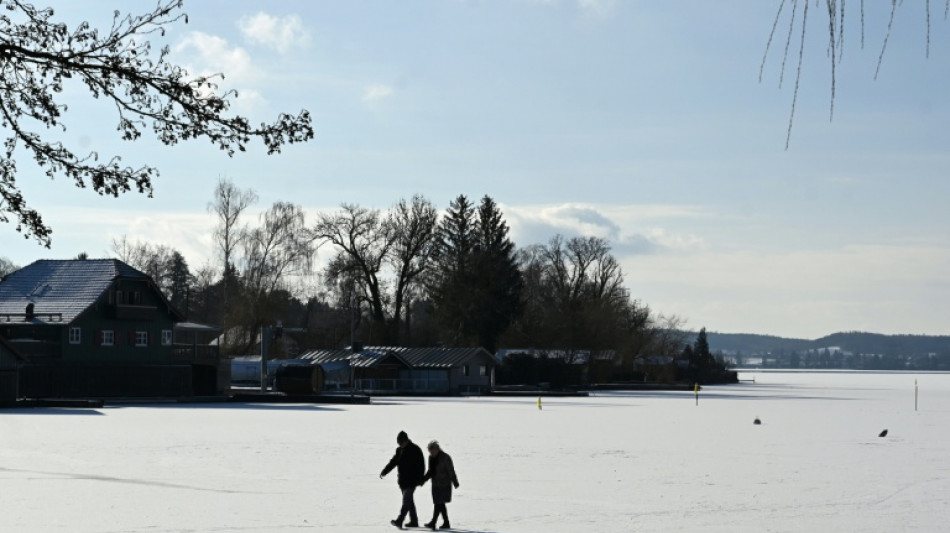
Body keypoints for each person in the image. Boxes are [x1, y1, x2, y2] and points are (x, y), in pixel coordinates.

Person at [380, 430, 425, 529]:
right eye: (398, 443)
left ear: (406, 440)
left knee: (406, 501)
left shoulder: (415, 450)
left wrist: (420, 480)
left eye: (401, 443)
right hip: (403, 481)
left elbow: (421, 466)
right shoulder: (399, 450)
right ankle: (414, 521)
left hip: (412, 481)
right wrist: (385, 471)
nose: (400, 445)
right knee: (409, 501)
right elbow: (393, 462)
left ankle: (400, 520)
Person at [421, 440, 459, 530]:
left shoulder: (445, 458)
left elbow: (451, 470)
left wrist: (455, 482)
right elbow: (430, 471)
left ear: (437, 449)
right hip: (435, 484)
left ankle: (433, 522)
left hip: (444, 484)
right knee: (439, 504)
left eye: (433, 451)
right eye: (430, 452)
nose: (432, 453)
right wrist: (423, 480)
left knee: (438, 503)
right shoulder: (431, 458)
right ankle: (446, 522)